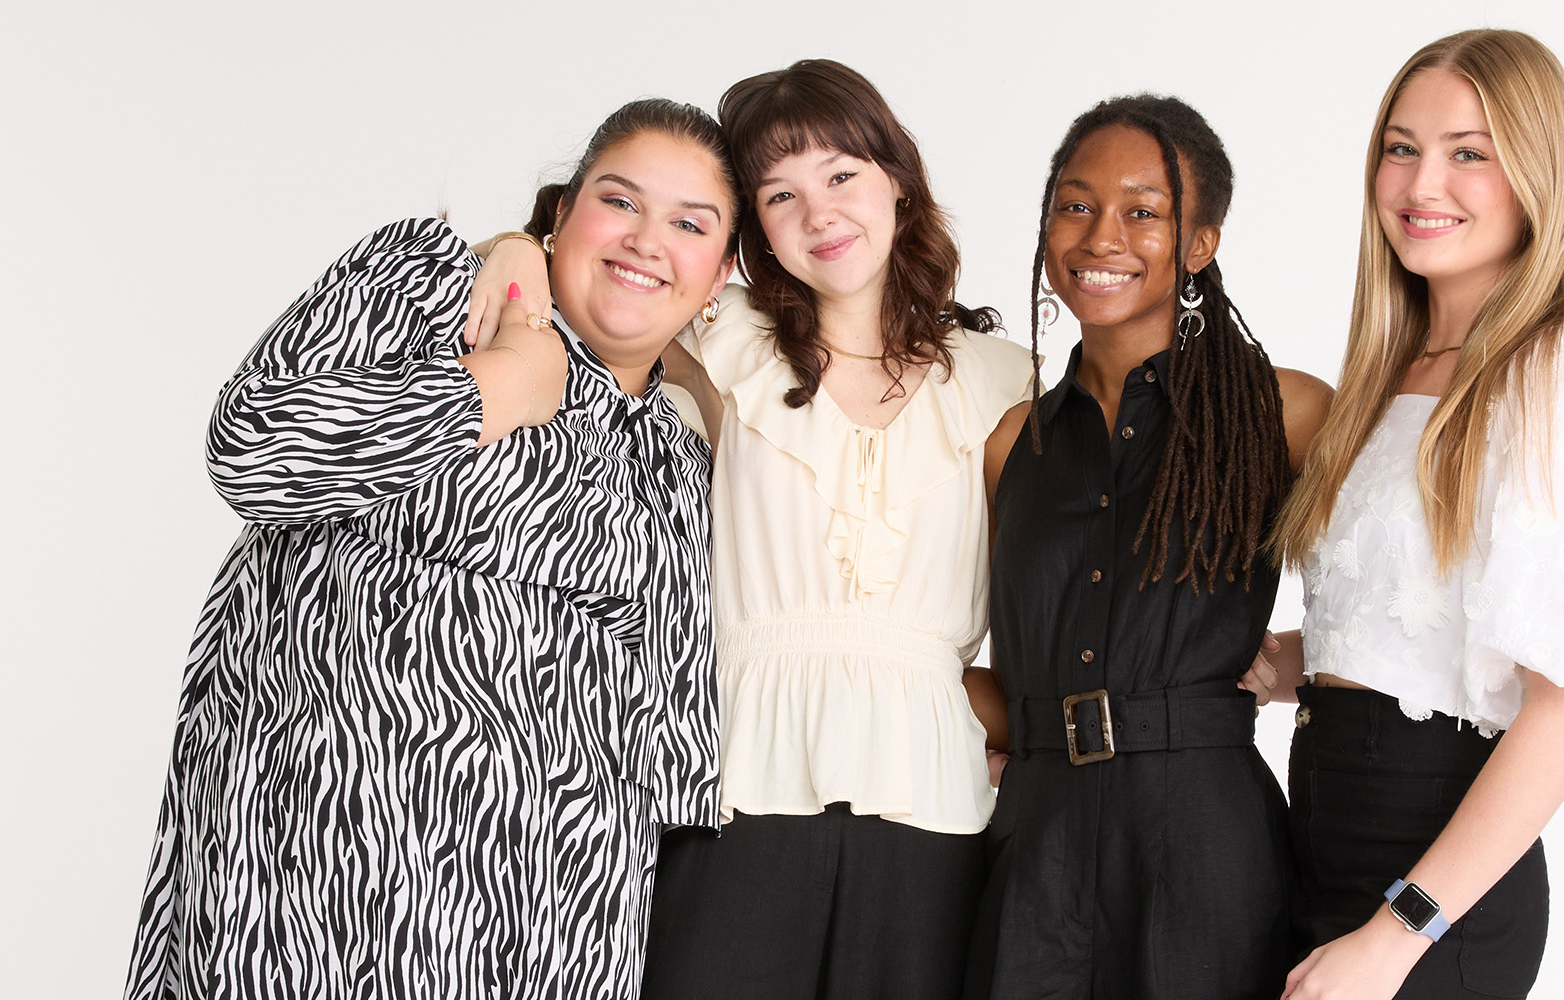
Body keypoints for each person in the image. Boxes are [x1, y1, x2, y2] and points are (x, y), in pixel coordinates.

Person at [126, 98, 740, 1000]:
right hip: (316, 893)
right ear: (561, 214)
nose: (649, 240)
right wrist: (489, 388)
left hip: (558, 929)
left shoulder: (679, 455)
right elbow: (251, 451)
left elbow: (677, 761)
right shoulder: (425, 288)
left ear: (720, 273)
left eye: (690, 224)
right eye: (620, 200)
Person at [467, 58, 1031, 1000]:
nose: (820, 215)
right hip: (729, 795)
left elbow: (1064, 587)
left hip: (935, 813)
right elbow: (591, 280)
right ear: (753, 232)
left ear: (897, 177)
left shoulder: (1002, 378)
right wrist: (518, 246)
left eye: (842, 175)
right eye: (780, 194)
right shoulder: (715, 339)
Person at [1263, 28, 1564, 1000]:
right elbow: (1395, 631)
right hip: (1315, 846)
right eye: (1400, 147)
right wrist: (1257, 660)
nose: (1420, 184)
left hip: (1432, 893)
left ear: (1534, 171)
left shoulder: (1560, 374)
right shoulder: (1382, 383)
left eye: (1467, 153)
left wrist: (1397, 932)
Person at [965, 94, 1334, 1000]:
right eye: (1075, 204)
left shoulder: (1283, 414)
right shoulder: (1013, 441)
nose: (1100, 237)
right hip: (1035, 845)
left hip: (1202, 843)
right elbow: (1000, 674)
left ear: (1201, 243)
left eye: (1144, 211)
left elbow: (1398, 612)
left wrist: (1294, 663)